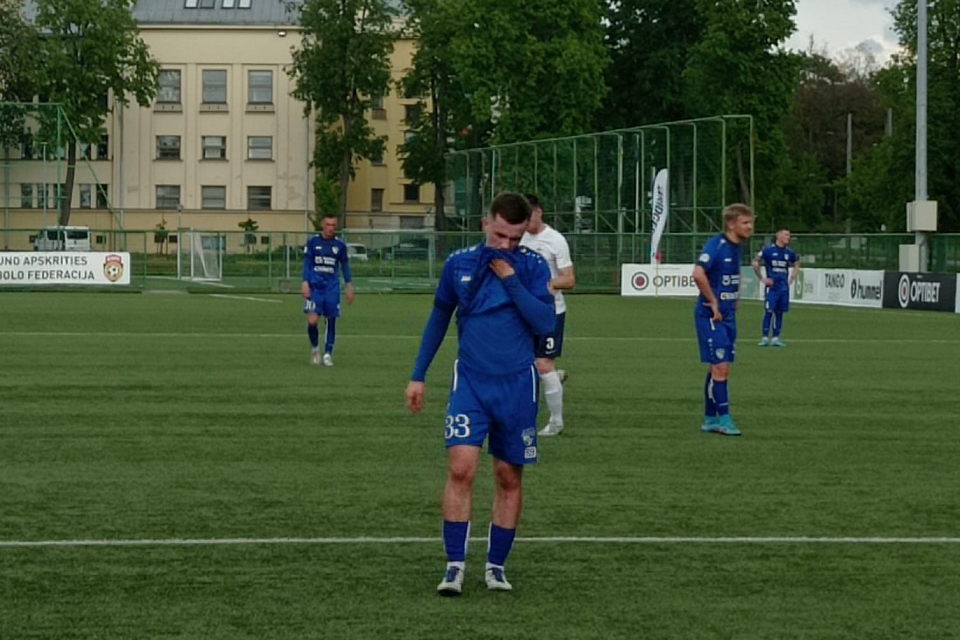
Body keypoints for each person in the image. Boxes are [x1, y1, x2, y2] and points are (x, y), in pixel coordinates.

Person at [405, 192, 555, 596]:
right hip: (471, 382)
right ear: (486, 223)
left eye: (515, 238)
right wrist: (418, 375)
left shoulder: (532, 265)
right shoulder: (459, 264)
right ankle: (454, 565)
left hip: (517, 386)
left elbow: (545, 322)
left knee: (507, 476)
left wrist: (510, 279)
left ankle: (496, 567)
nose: (506, 245)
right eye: (500, 235)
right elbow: (439, 317)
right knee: (461, 469)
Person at [692, 203, 755, 436]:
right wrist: (713, 301)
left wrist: (735, 297)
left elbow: (732, 275)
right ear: (731, 224)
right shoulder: (717, 245)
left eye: (751, 222)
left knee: (717, 367)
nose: (750, 227)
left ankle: (710, 418)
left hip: (728, 317)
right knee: (721, 368)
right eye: (745, 223)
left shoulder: (737, 247)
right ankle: (725, 419)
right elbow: (698, 273)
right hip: (711, 316)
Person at [520, 194, 575, 436]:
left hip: (550, 313)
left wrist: (548, 285)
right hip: (522, 312)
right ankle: (553, 378)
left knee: (543, 364)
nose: (524, 221)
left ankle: (556, 422)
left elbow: (569, 279)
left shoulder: (555, 240)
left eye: (528, 215)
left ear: (539, 212)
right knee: (520, 364)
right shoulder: (518, 237)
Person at [301, 214, 355, 366]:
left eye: (333, 225)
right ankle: (315, 349)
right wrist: (305, 282)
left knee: (331, 320)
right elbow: (307, 264)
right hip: (315, 287)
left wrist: (349, 285)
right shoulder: (313, 242)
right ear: (322, 225)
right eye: (328, 225)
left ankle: (328, 354)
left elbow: (345, 266)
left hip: (331, 287)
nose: (331, 228)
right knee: (312, 320)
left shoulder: (340, 245)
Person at [752, 228, 800, 347]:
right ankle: (764, 337)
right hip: (772, 287)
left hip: (783, 288)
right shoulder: (768, 250)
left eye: (789, 235)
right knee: (769, 311)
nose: (788, 237)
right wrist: (762, 278)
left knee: (779, 313)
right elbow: (755, 262)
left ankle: (775, 338)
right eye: (786, 235)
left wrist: (792, 277)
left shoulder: (789, 252)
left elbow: (797, 262)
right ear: (779, 236)